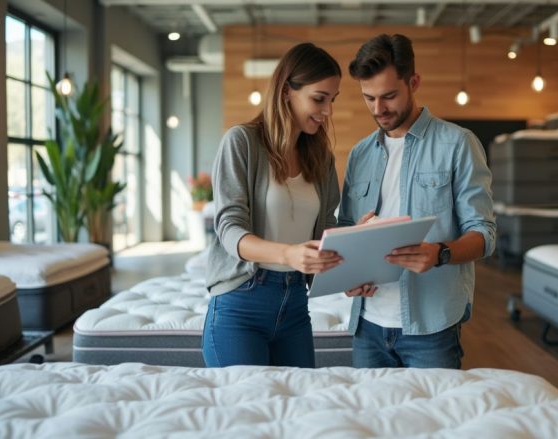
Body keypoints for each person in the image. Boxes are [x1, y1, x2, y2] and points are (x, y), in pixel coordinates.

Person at [338, 34, 496, 369]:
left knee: (435, 420)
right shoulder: (359, 154)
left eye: (389, 96)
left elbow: (484, 234)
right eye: (368, 98)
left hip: (431, 327)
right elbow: (346, 230)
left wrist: (440, 253)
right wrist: (349, 272)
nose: (378, 109)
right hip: (367, 326)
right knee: (371, 421)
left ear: (414, 82)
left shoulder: (458, 144)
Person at [201, 42, 343, 368]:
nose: (328, 111)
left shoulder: (321, 159)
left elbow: (325, 229)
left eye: (332, 100)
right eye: (319, 99)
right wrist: (287, 253)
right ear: (285, 92)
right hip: (241, 304)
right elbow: (229, 228)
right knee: (245, 414)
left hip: (294, 304)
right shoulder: (242, 142)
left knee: (296, 411)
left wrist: (358, 235)